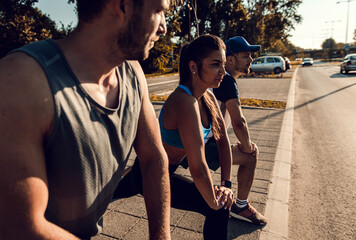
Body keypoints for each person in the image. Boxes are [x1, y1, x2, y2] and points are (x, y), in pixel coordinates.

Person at [0, 0, 171, 239]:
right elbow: (20, 226)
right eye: (159, 11)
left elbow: (154, 158)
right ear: (122, 6)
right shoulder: (22, 79)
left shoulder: (132, 73)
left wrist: (161, 236)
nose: (164, 27)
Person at [209, 36, 268, 225]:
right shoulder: (226, 81)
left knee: (141, 175)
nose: (251, 60)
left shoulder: (219, 78)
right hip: (202, 144)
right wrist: (247, 147)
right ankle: (240, 207)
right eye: (246, 56)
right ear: (231, 59)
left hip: (198, 140)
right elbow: (239, 122)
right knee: (250, 156)